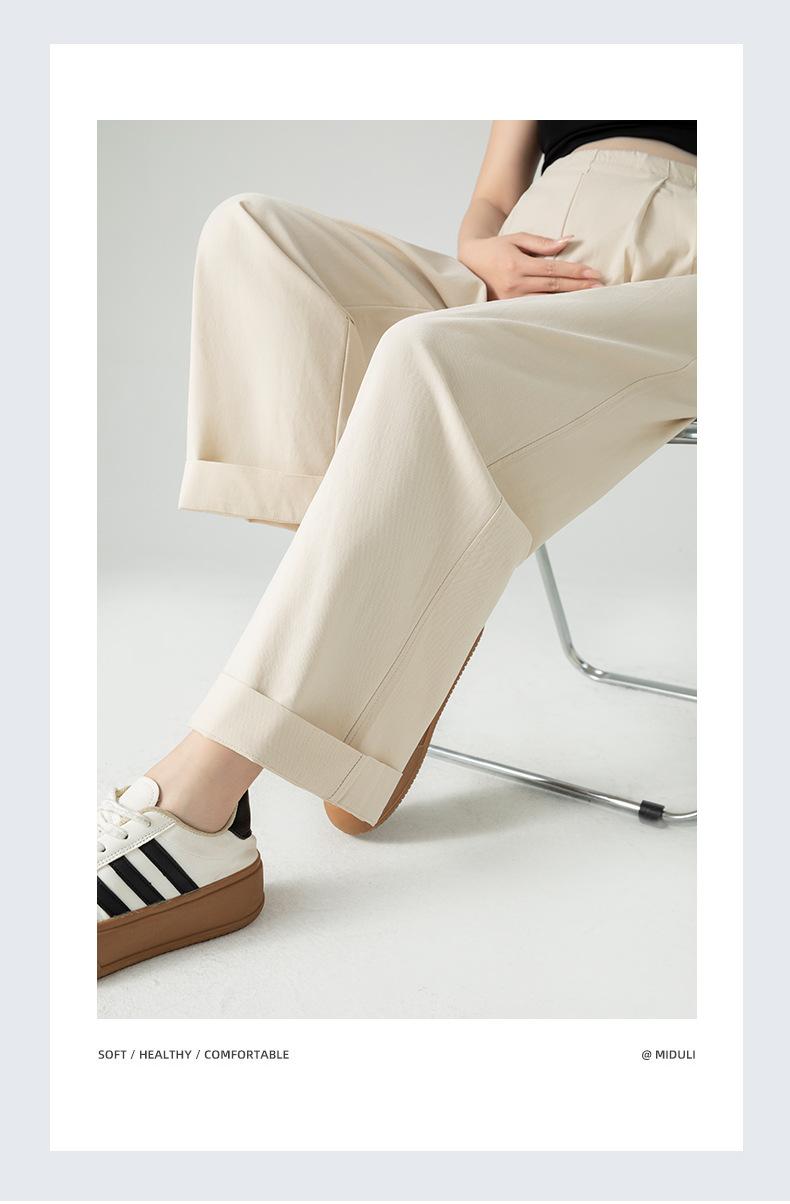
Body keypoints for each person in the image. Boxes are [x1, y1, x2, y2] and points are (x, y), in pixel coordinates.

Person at [97, 119, 697, 977]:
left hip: (692, 285)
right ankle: (392, 598)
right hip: (517, 280)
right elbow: (492, 198)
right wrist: (485, 250)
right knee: (251, 236)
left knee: (421, 352)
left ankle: (202, 805)